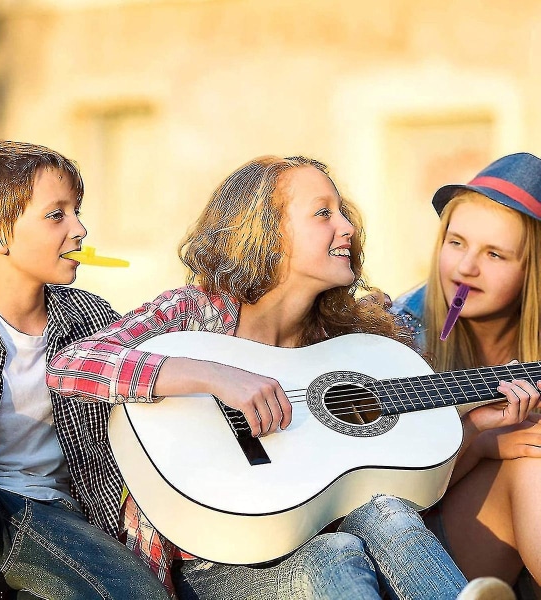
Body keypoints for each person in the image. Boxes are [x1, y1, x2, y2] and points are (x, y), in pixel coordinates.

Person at [47, 154, 530, 600]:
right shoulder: (194, 311)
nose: (347, 228)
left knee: (387, 512)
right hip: (212, 561)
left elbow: (394, 469)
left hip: (325, 539)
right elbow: (70, 365)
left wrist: (478, 426)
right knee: (336, 554)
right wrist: (214, 376)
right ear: (265, 232)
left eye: (343, 213)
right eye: (323, 214)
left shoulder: (353, 344)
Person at [0, 140, 169, 599]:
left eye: (77, 211)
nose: (80, 228)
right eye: (56, 215)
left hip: (55, 517)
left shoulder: (94, 320)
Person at [392, 152, 541, 595]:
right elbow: (388, 497)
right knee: (529, 467)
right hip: (411, 545)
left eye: (494, 253)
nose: (465, 268)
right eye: (455, 242)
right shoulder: (401, 333)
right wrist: (482, 441)